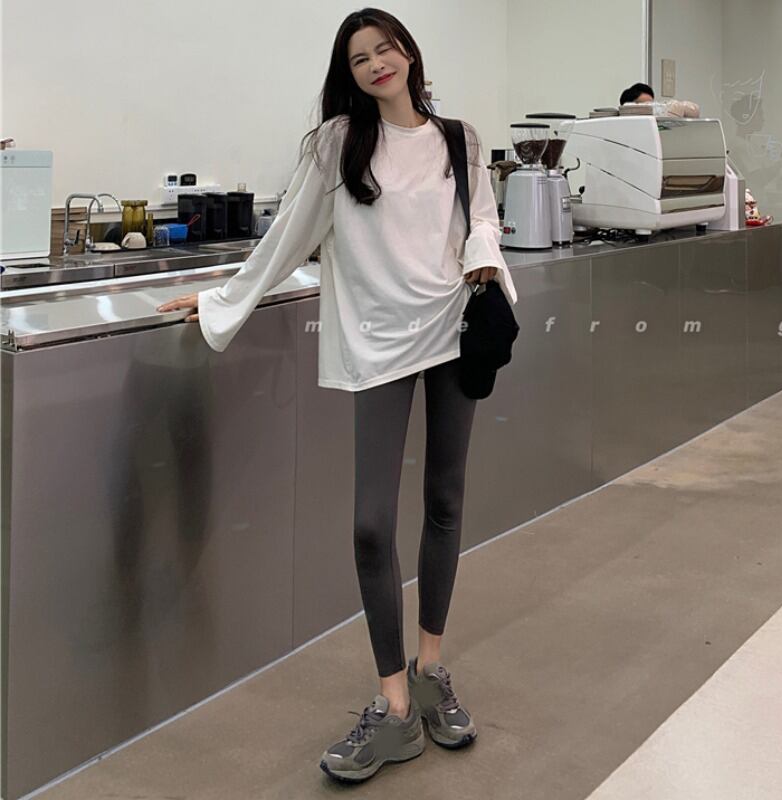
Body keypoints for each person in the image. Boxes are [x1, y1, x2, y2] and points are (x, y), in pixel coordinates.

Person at [156, 6, 518, 785]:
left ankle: (429, 672)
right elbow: (288, 233)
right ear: (349, 75)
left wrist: (484, 254)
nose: (378, 63)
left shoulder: (460, 139)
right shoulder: (338, 144)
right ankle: (394, 708)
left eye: (386, 48)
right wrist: (222, 298)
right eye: (360, 58)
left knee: (446, 500)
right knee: (370, 524)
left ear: (408, 53)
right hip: (378, 342)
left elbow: (482, 218)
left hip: (453, 327)